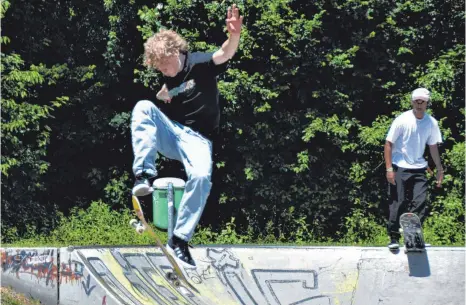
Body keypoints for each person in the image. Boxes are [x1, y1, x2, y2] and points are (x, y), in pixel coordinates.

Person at [130, 5, 243, 267]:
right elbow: (164, 90)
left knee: (203, 176)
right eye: (159, 68)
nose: (165, 71)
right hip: (172, 134)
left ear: (176, 53)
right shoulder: (167, 76)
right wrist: (162, 94)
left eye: (166, 65)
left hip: (198, 140)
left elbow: (224, 53)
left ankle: (179, 240)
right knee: (143, 107)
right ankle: (144, 173)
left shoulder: (199, 63)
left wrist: (234, 35)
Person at [384, 87, 444, 250]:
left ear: (427, 103)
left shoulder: (431, 123)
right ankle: (394, 237)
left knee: (420, 201)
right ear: (411, 102)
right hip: (399, 167)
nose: (419, 104)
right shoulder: (402, 120)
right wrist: (389, 169)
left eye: (422, 102)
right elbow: (388, 144)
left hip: (419, 168)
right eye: (416, 101)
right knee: (398, 201)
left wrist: (439, 168)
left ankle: (412, 237)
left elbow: (433, 147)